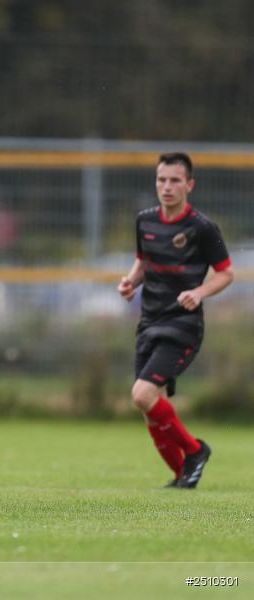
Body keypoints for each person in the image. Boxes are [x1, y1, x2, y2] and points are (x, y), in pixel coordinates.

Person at [117, 152, 233, 488]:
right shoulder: (145, 220)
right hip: (148, 321)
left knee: (141, 394)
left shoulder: (202, 228)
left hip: (182, 325)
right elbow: (142, 263)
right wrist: (129, 282)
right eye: (161, 180)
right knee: (149, 405)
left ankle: (196, 451)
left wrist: (199, 292)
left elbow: (226, 274)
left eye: (175, 180)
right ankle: (181, 475)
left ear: (189, 185)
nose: (167, 187)